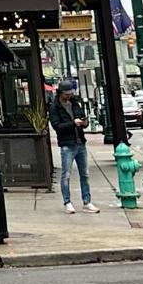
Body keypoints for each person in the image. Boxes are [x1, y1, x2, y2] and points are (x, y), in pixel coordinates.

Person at [49, 82, 98, 214]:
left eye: (71, 93)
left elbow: (82, 119)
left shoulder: (75, 104)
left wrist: (84, 122)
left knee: (85, 174)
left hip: (80, 142)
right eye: (67, 94)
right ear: (61, 93)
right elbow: (57, 126)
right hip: (67, 144)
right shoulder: (55, 107)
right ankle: (67, 202)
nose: (69, 96)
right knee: (66, 174)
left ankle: (87, 201)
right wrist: (73, 123)